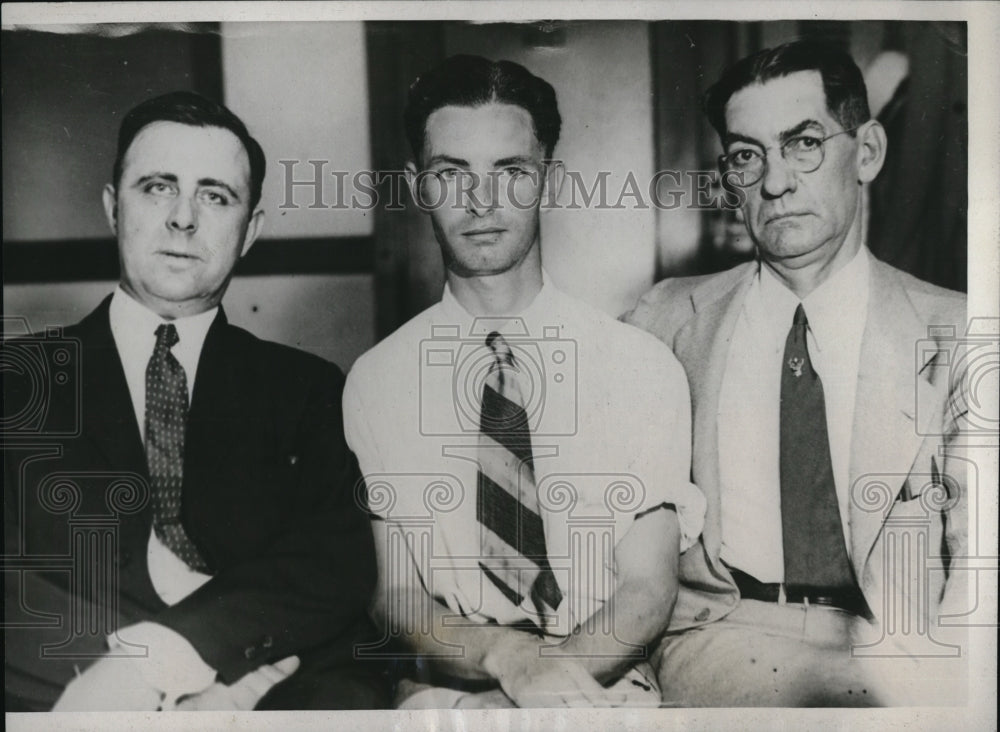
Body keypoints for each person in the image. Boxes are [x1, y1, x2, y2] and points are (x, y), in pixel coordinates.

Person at [2, 91, 386, 711]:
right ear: (111, 208)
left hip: (274, 693)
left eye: (215, 195)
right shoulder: (17, 382)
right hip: (72, 696)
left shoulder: (307, 390)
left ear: (250, 230)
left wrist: (184, 659)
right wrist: (129, 683)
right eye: (157, 187)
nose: (184, 218)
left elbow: (331, 564)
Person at [342, 55, 706, 709]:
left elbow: (647, 591)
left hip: (602, 678)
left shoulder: (641, 368)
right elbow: (395, 596)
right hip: (448, 687)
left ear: (550, 180)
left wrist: (546, 678)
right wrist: (502, 659)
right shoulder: (377, 381)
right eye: (451, 173)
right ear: (417, 185)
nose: (481, 202)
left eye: (510, 172)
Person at [624, 40, 968, 706]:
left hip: (903, 642)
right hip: (725, 639)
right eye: (748, 156)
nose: (775, 182)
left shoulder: (961, 335)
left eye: (804, 143)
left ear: (867, 152)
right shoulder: (664, 320)